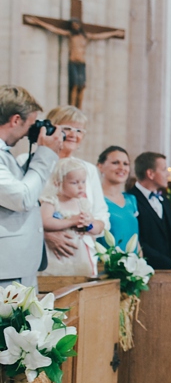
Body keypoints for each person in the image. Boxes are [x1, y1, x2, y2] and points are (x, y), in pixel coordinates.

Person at [30, 106, 110, 271]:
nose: (74, 134)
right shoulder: (29, 162)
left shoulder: (88, 169)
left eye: (79, 130)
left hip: (80, 254)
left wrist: (88, 224)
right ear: (52, 129)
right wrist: (45, 234)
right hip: (38, 252)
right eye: (67, 129)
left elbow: (101, 215)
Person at [0, 86, 63, 287]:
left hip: (16, 265)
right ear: (16, 120)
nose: (31, 131)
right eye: (31, 123)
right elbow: (22, 198)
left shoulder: (5, 153)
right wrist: (44, 154)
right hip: (6, 268)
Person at [39, 158, 101, 277]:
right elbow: (45, 221)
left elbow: (96, 227)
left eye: (83, 182)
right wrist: (71, 221)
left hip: (79, 255)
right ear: (58, 182)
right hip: (55, 257)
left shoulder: (83, 203)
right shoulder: (51, 201)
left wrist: (89, 225)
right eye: (74, 182)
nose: (81, 186)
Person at [98, 146, 140, 251]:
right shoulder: (95, 199)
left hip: (132, 264)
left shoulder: (131, 200)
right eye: (115, 163)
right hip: (105, 264)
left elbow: (135, 239)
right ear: (100, 166)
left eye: (125, 164)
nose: (122, 167)